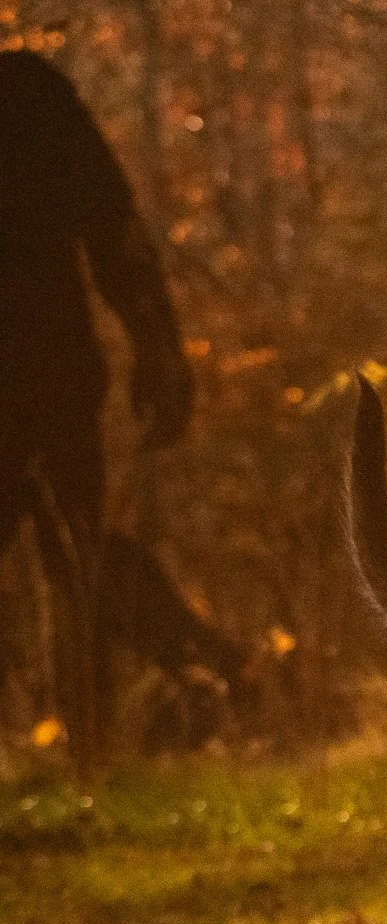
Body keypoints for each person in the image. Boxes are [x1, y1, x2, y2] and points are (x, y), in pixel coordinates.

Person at [1, 46, 243, 761]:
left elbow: (114, 230)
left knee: (80, 570)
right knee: (79, 566)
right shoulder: (34, 96)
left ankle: (90, 765)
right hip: (56, 385)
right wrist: (157, 348)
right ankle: (90, 764)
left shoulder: (33, 99)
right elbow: (116, 232)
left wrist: (159, 350)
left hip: (52, 389)